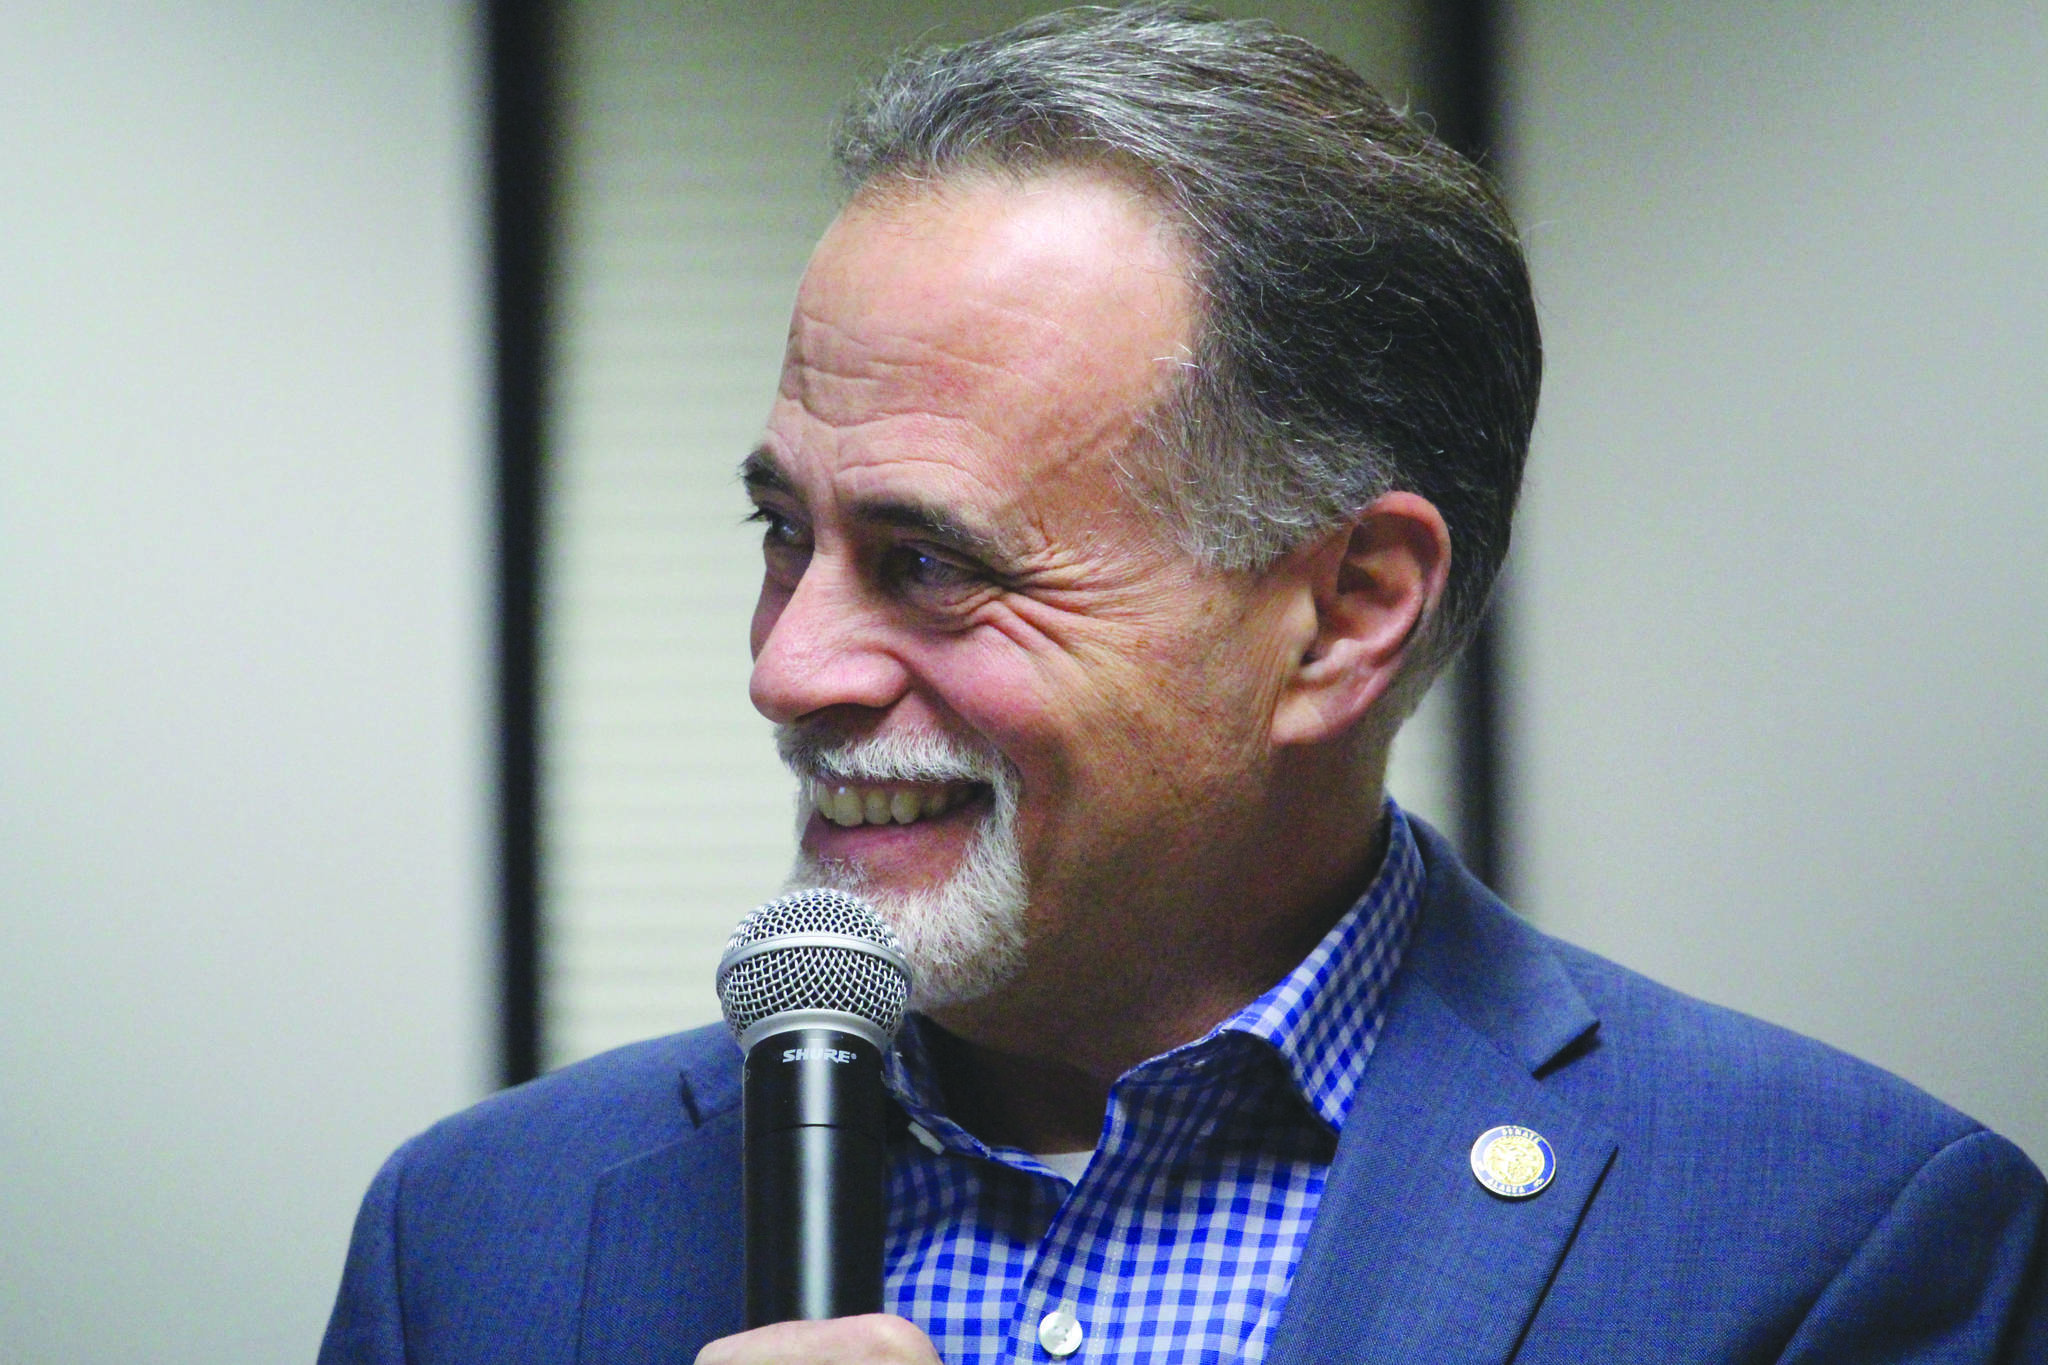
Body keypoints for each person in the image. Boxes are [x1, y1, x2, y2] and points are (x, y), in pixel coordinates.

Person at [320, 7, 2046, 1362]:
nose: (790, 669)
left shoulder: (1831, 1245)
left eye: (933, 561)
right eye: (787, 536)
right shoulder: (482, 1236)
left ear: (1345, 612)